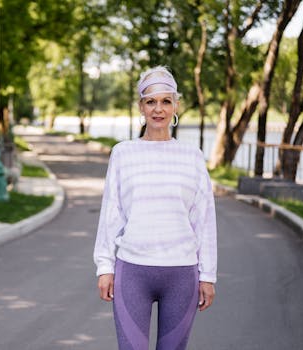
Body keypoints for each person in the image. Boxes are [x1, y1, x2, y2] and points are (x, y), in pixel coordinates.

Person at [93, 66, 217, 350]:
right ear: (141, 106)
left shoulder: (192, 156)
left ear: (176, 105)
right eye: (151, 101)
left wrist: (207, 275)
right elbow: (111, 212)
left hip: (182, 275)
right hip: (132, 273)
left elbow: (204, 220)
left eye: (165, 101)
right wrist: (104, 266)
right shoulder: (123, 153)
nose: (158, 109)